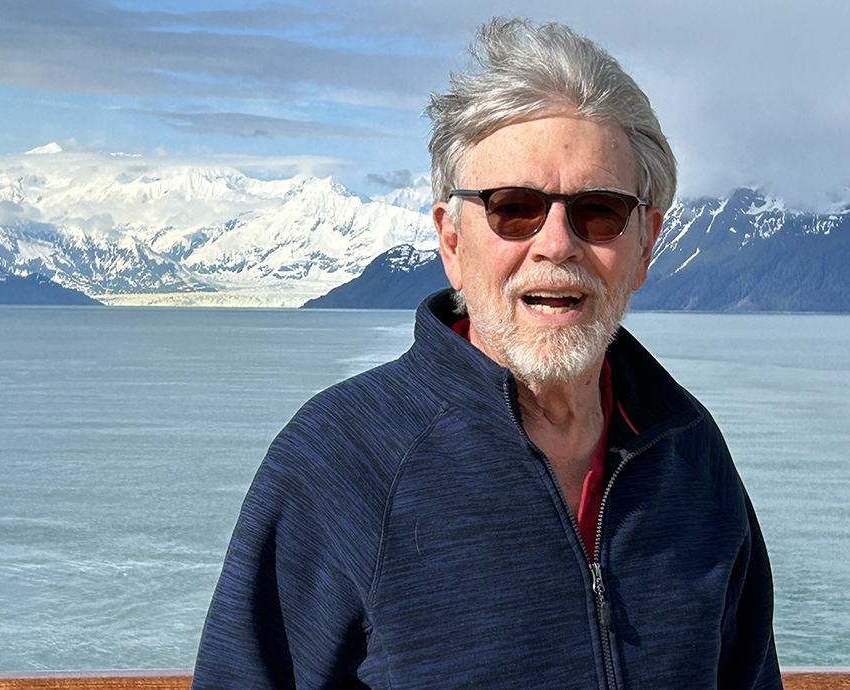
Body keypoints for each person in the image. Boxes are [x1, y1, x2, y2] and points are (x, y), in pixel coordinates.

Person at [192, 17, 781, 690]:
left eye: (599, 211)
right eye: (514, 208)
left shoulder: (691, 456)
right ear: (451, 241)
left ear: (644, 244)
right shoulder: (341, 461)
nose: (557, 244)